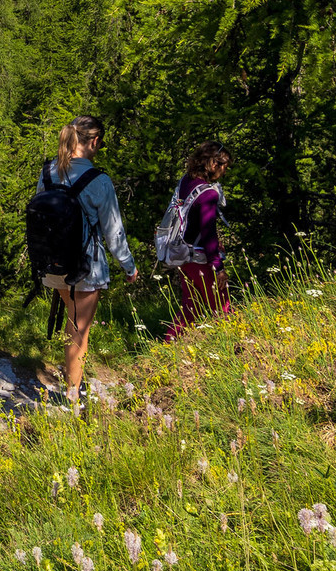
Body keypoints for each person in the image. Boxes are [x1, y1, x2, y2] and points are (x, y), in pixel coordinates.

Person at [39, 115, 139, 409]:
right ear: (94, 142)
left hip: (54, 265)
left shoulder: (48, 172)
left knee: (72, 323)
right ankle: (73, 396)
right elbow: (113, 230)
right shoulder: (99, 180)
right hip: (87, 267)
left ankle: (73, 384)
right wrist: (129, 266)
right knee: (78, 331)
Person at [163, 140, 232, 340]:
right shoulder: (208, 193)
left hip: (183, 255)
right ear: (212, 164)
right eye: (223, 166)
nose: (224, 171)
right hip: (201, 259)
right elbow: (208, 232)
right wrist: (218, 267)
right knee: (222, 307)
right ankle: (232, 347)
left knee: (190, 307)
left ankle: (168, 345)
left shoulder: (187, 182)